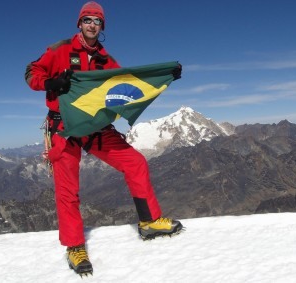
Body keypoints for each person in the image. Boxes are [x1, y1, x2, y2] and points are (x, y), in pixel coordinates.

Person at [25, 1, 183, 276]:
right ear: (79, 23)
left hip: (95, 128)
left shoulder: (106, 60)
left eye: (97, 21)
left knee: (134, 162)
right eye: (87, 19)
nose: (91, 25)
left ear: (102, 26)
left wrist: (164, 77)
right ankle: (75, 247)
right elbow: (32, 73)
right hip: (64, 128)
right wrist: (50, 84)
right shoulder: (59, 50)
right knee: (67, 189)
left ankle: (149, 222)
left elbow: (128, 86)